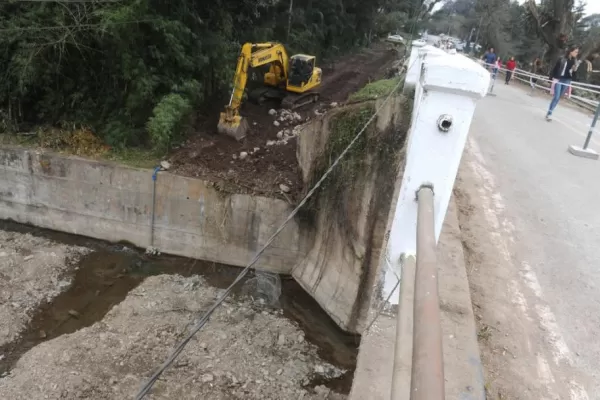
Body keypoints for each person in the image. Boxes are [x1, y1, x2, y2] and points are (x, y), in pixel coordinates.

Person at [546, 46, 580, 121]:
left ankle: (550, 111)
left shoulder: (575, 61)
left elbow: (574, 75)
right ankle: (549, 114)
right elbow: (555, 69)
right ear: (571, 51)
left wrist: (574, 70)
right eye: (575, 51)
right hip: (559, 79)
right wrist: (550, 79)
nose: (577, 53)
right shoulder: (562, 59)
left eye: (577, 52)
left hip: (567, 80)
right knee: (556, 97)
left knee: (559, 97)